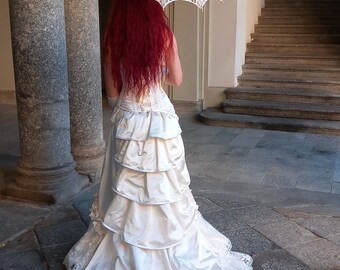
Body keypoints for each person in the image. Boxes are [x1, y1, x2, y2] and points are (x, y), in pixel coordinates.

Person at [64, 0, 253, 269]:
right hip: (160, 120)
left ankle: (127, 238)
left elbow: (113, 94)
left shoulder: (113, 40)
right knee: (164, 183)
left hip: (129, 120)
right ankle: (168, 237)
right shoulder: (164, 35)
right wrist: (155, 71)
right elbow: (177, 79)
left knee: (127, 183)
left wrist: (132, 88)